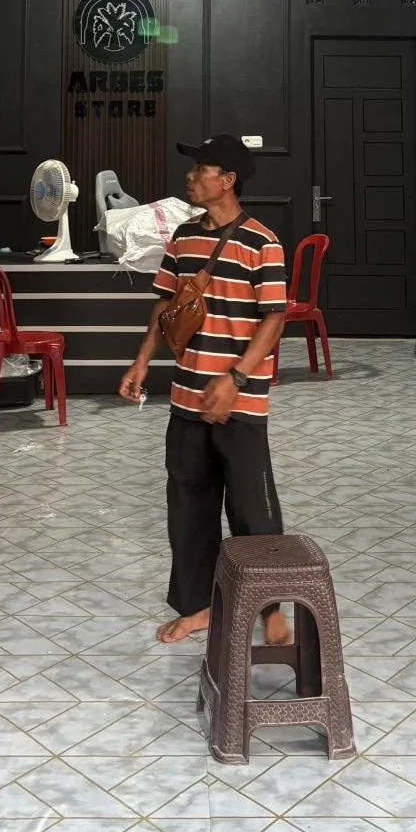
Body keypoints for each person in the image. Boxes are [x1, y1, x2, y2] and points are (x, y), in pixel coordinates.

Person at [119, 134, 290, 646]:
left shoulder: (262, 241)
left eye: (201, 169)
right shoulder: (183, 237)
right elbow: (164, 304)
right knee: (189, 508)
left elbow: (275, 318)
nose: (190, 177)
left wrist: (236, 379)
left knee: (253, 509)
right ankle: (200, 608)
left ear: (228, 180)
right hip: (186, 397)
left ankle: (270, 609)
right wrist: (142, 360)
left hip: (240, 401)